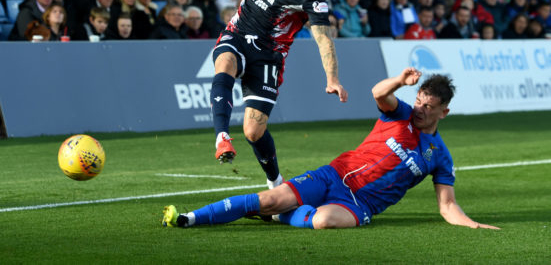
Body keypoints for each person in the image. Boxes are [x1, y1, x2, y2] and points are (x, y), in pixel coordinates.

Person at [162, 67, 500, 231]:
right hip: (334, 174)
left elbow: (447, 206)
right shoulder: (400, 114)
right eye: (419, 101)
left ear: (444, 112)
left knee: (323, 221)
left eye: (429, 106)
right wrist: (400, 81)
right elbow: (378, 93)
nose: (420, 108)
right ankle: (190, 219)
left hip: (361, 203)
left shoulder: (439, 156)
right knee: (269, 197)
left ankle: (280, 214)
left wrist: (473, 225)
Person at [188, 0, 348, 189]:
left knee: (253, 131)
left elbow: (324, 40)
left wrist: (332, 79)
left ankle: (275, 182)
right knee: (224, 62)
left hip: (268, 56)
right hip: (238, 33)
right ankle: (222, 137)